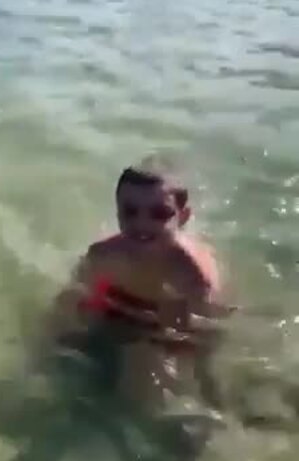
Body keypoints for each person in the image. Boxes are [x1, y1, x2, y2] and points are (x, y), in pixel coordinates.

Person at [43, 156, 233, 417]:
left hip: (166, 319)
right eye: (130, 211)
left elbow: (207, 337)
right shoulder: (103, 256)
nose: (142, 224)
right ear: (117, 211)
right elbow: (81, 298)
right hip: (121, 306)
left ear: (183, 216)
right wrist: (63, 339)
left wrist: (205, 383)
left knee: (152, 397)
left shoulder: (193, 275)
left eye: (159, 213)